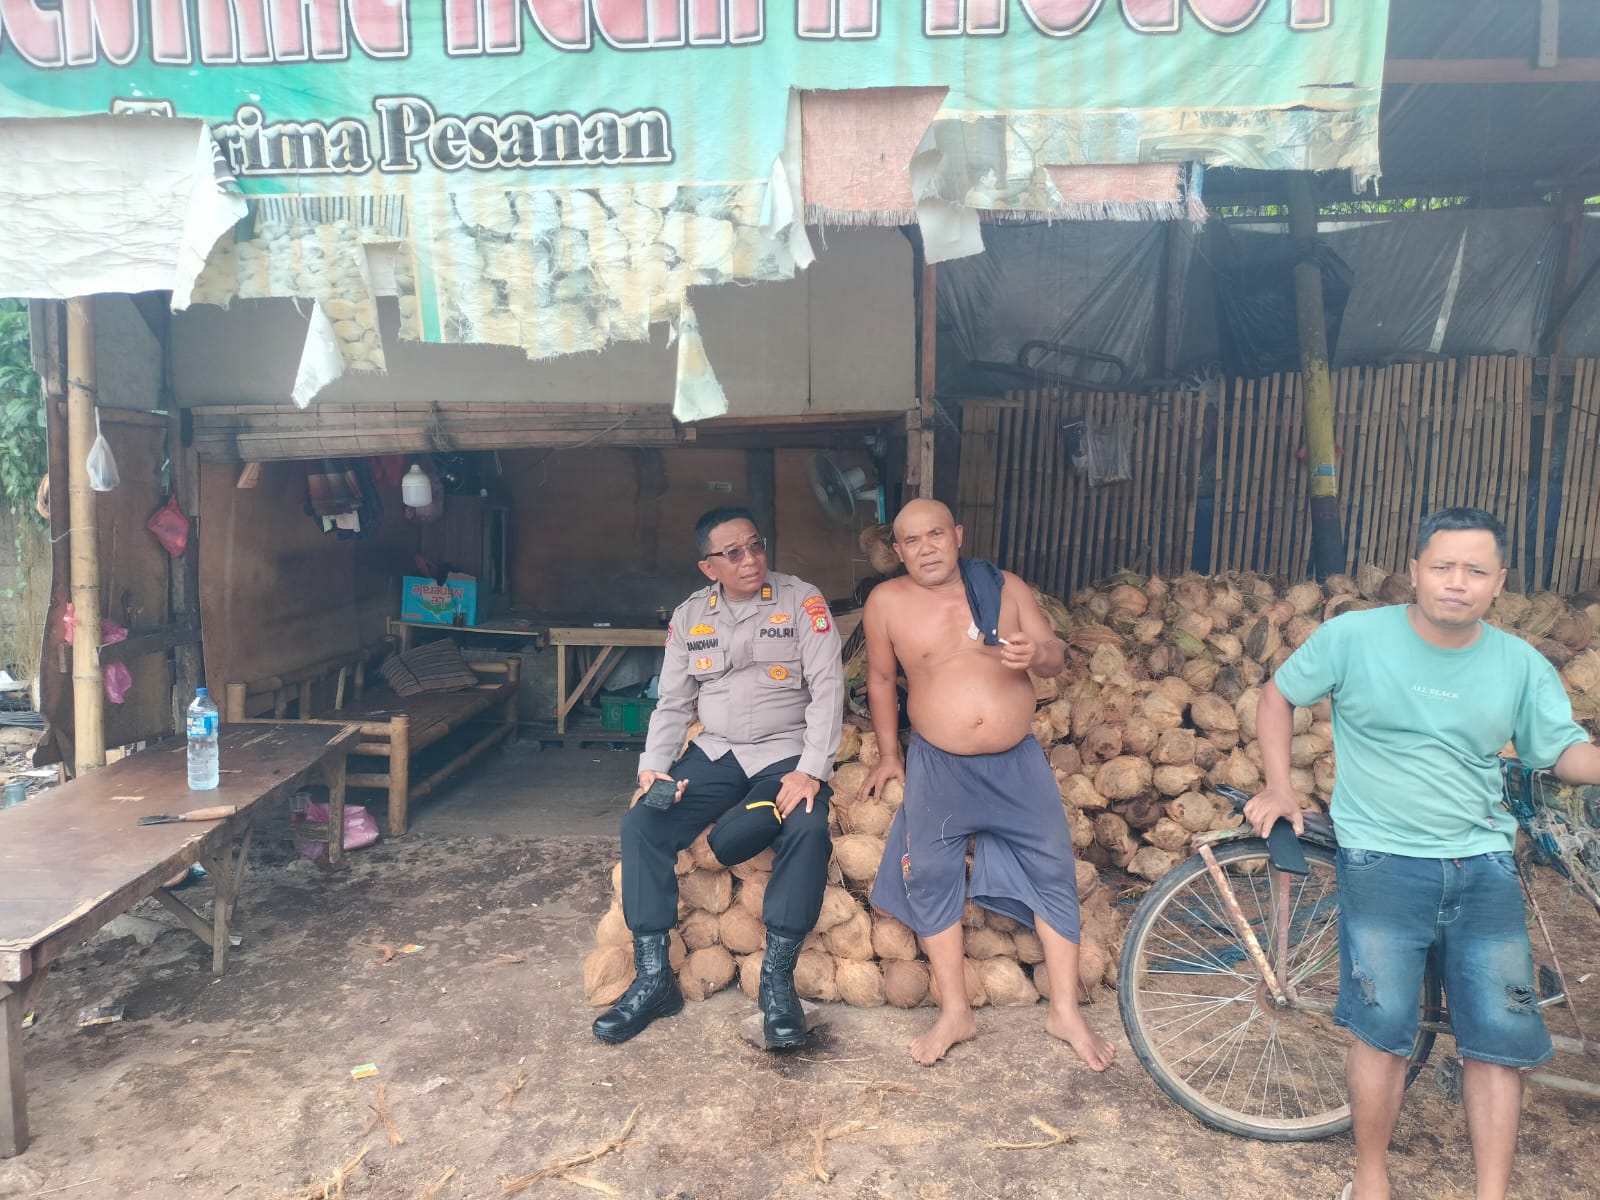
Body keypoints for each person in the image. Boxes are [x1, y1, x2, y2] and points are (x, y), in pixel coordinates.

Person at [1245, 507, 1600, 1200]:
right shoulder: (1354, 638)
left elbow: (1559, 752)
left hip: (1483, 865)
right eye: (1442, 567)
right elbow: (1276, 696)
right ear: (1414, 571)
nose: (1456, 582)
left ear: (1499, 582)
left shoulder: (1520, 664)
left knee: (1497, 1039)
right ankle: (1371, 1178)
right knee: (1381, 1031)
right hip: (1382, 861)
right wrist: (1280, 786)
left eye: (1475, 570)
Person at [859, 498, 1116, 1070]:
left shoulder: (1004, 587)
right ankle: (956, 1013)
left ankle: (1065, 1012)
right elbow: (880, 679)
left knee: (1053, 869)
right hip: (939, 765)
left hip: (1015, 763)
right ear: (897, 551)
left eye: (935, 534)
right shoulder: (887, 602)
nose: (925, 548)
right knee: (931, 875)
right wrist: (889, 754)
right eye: (911, 541)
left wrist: (1037, 652)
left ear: (957, 535)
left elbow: (1055, 657)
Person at [593, 506, 844, 1050]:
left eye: (756, 545)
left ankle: (777, 982)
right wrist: (654, 766)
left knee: (805, 827)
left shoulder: (802, 601)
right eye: (733, 553)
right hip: (716, 751)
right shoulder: (690, 617)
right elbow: (673, 702)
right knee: (643, 825)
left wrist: (810, 771)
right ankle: (654, 979)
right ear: (709, 567)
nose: (750, 559)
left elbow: (828, 690)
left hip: (786, 751)